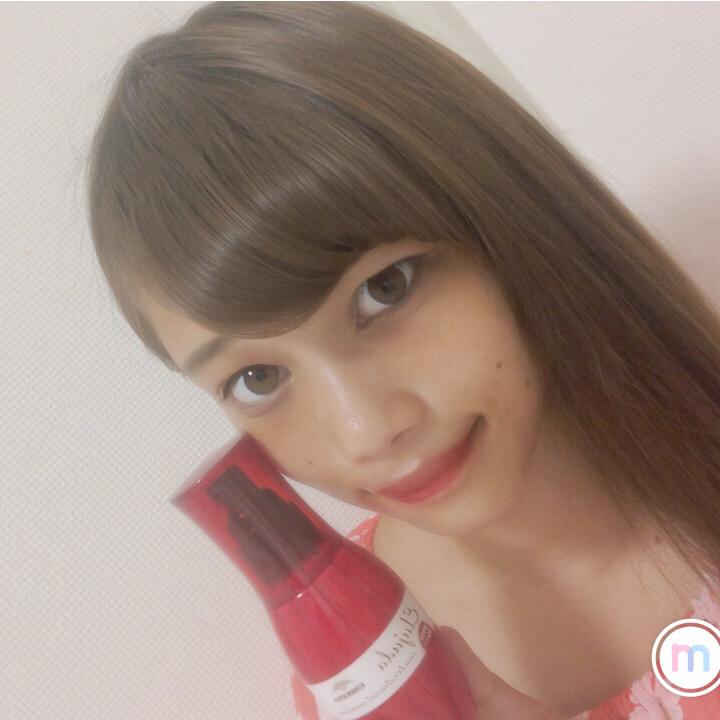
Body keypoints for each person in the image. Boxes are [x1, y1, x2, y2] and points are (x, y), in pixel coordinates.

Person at [85, 2, 720, 718]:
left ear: (508, 216)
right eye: (257, 379)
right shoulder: (366, 674)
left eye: (384, 289)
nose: (366, 431)